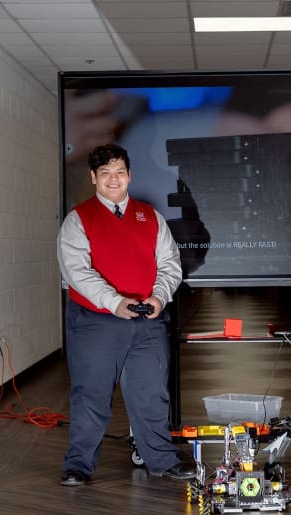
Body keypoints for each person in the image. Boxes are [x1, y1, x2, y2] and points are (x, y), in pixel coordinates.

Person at [57, 143, 194, 486]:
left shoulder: (150, 217)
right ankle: (79, 465)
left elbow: (169, 265)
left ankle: (161, 460)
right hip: (95, 322)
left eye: (119, 172)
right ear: (94, 178)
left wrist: (160, 297)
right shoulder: (79, 219)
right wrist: (114, 301)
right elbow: (76, 271)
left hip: (148, 321)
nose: (113, 179)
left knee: (151, 393)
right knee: (92, 394)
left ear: (129, 175)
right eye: (105, 174)